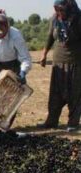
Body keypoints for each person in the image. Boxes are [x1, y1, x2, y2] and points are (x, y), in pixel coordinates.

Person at [38, 0, 81, 132]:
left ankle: (73, 122)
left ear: (69, 8)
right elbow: (50, 36)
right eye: (57, 9)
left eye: (61, 10)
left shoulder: (78, 20)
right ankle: (52, 121)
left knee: (75, 94)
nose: (59, 13)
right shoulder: (55, 19)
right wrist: (44, 53)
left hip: (75, 62)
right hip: (58, 62)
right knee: (55, 94)